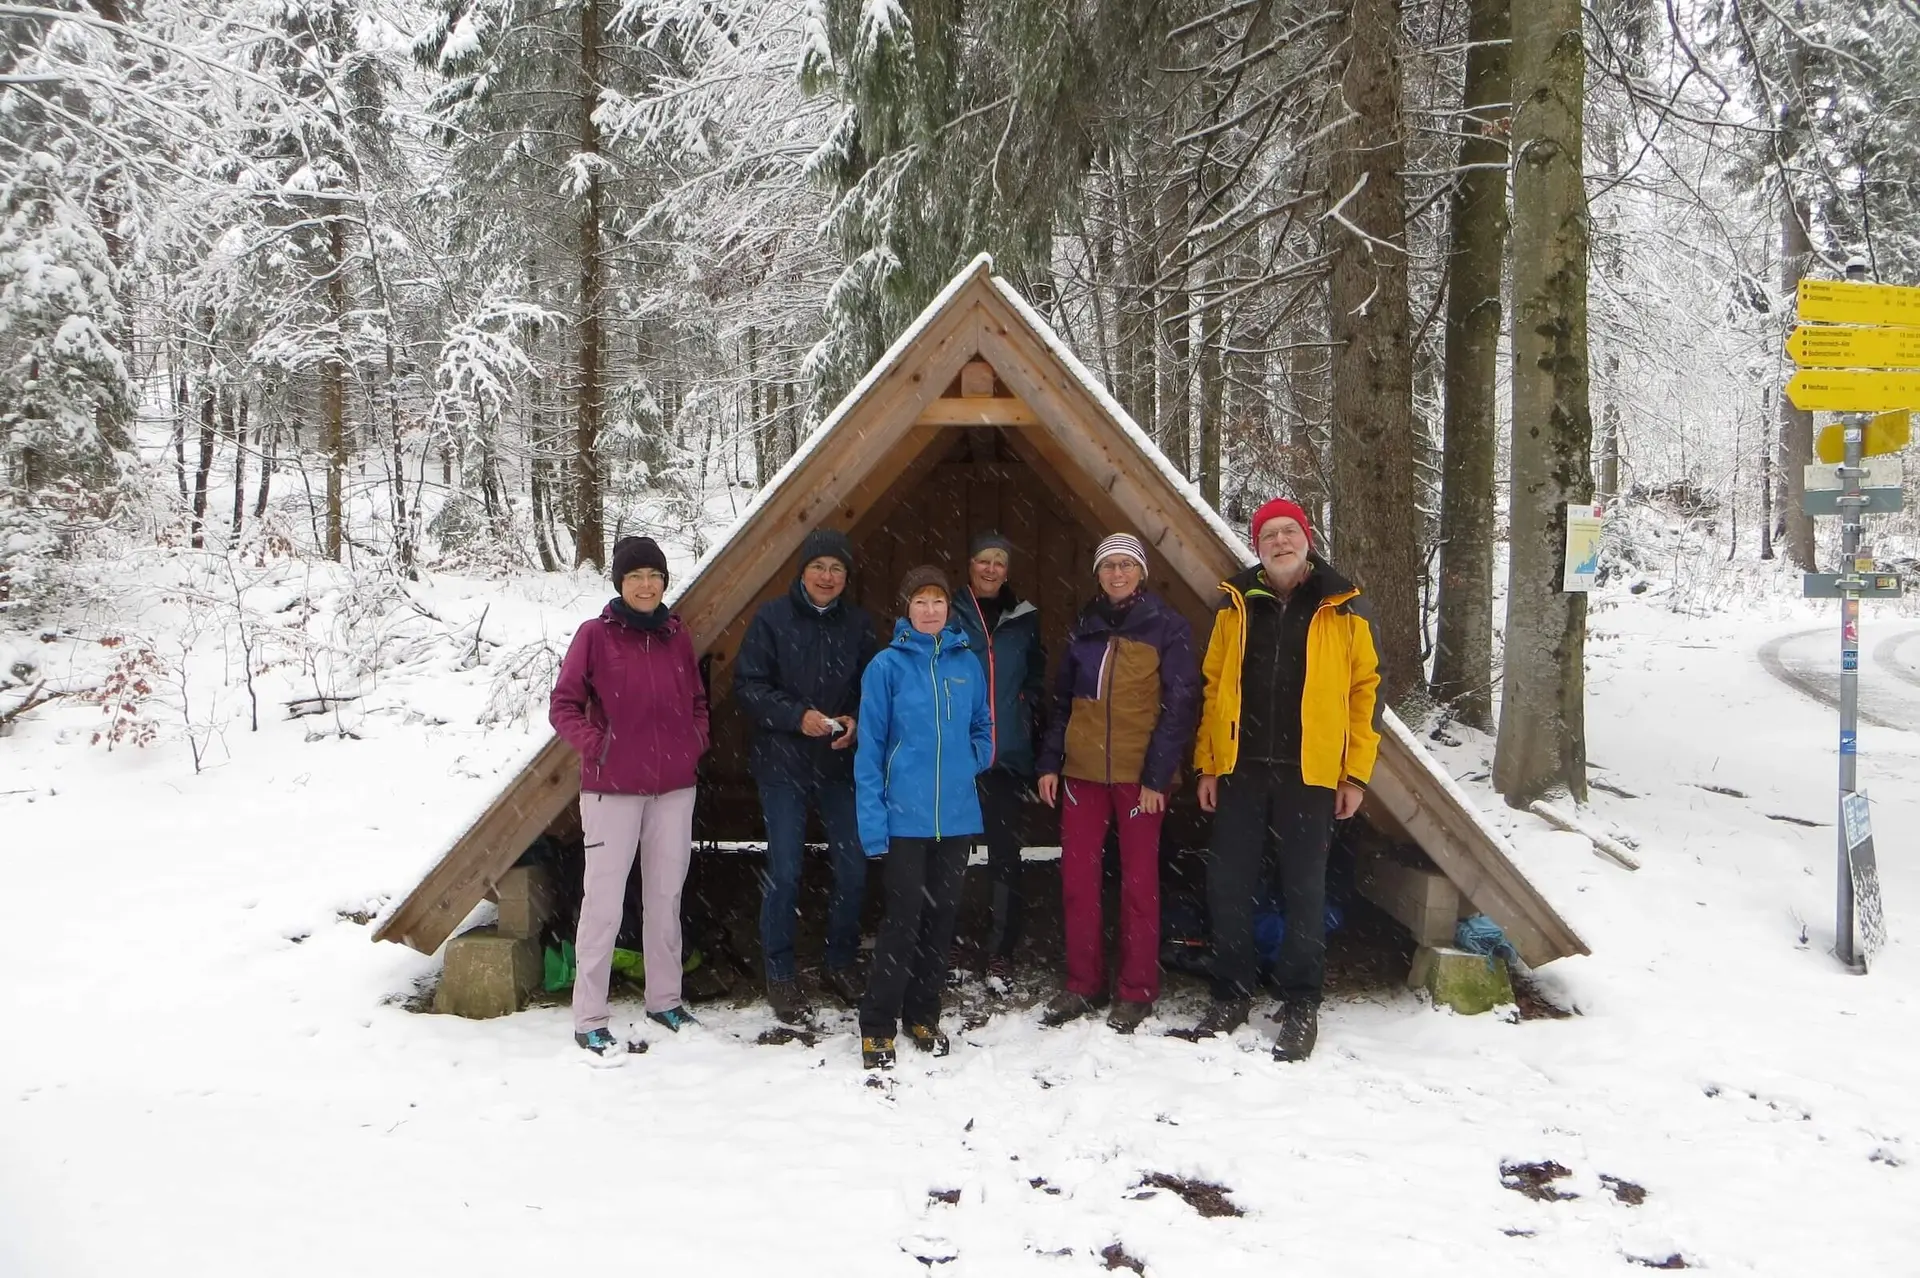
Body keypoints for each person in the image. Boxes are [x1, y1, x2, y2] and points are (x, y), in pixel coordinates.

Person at [1190, 497, 1381, 1062]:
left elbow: (1364, 696)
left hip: (1311, 772)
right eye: (1268, 534)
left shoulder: (1342, 609)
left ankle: (1301, 1003)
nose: (1279, 542)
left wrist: (1355, 775)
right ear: (1257, 544)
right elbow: (1212, 688)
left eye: (1288, 533)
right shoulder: (1235, 607)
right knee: (1228, 885)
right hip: (1241, 768)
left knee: (1305, 890)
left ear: (1307, 539)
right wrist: (1207, 763)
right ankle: (1231, 990)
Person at [549, 536, 710, 1064]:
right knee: (604, 902)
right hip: (611, 790)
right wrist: (600, 746)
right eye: (636, 576)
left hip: (673, 788)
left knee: (666, 897)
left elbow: (697, 701)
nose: (646, 585)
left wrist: (695, 742)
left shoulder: (676, 636)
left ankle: (665, 1001)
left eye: (655, 576)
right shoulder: (595, 636)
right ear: (619, 583)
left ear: (665, 582)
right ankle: (590, 1017)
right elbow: (564, 705)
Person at [1034, 534, 1200, 1034]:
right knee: (1077, 881)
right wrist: (1049, 762)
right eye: (1109, 566)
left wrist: (1157, 776)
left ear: (1141, 572)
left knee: (1139, 885)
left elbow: (1180, 705)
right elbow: (1063, 702)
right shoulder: (1085, 627)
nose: (1118, 574)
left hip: (1138, 779)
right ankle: (1084, 983)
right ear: (1098, 573)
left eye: (1127, 565)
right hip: (1082, 774)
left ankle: (1137, 988)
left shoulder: (1167, 626)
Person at [732, 527, 880, 1025]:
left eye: (837, 569)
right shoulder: (773, 619)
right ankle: (780, 970)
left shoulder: (858, 625)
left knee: (854, 866)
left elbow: (873, 688)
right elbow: (749, 686)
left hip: (838, 764)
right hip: (783, 764)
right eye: (820, 566)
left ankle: (839, 962)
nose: (827, 576)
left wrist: (856, 720)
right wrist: (797, 716)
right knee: (787, 869)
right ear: (803, 570)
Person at [854, 566, 994, 1069]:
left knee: (941, 921)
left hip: (955, 819)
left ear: (948, 609)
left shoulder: (966, 664)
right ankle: (877, 1024)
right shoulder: (886, 667)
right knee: (902, 923)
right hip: (903, 821)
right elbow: (869, 749)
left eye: (938, 601)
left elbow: (983, 723)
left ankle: (923, 1013)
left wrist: (972, 760)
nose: (930, 610)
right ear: (906, 609)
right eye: (921, 601)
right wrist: (873, 823)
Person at [948, 532, 1046, 984]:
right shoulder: (947, 613)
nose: (991, 569)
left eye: (999, 562)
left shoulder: (1024, 618)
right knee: (949, 856)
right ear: (969, 565)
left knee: (1006, 856)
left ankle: (1001, 950)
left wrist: (1032, 736)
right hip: (955, 760)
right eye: (983, 560)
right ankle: (944, 944)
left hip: (1006, 758)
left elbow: (1038, 682)